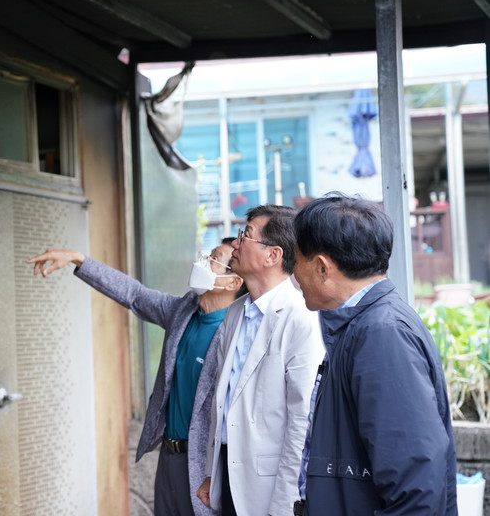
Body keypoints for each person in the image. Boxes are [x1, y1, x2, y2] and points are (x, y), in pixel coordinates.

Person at [28, 243, 245, 516]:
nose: (202, 263)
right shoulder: (183, 312)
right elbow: (134, 294)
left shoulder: (236, 333)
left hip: (203, 466)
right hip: (168, 457)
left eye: (213, 259)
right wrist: (78, 259)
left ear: (232, 282)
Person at [291, 194, 457, 515]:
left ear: (323, 267)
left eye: (296, 261)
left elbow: (416, 489)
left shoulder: (382, 333)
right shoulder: (362, 323)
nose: (294, 275)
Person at [198, 204, 324, 516]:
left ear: (273, 255)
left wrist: (286, 501)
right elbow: (224, 399)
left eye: (246, 235)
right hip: (228, 471)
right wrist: (212, 472)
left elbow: (302, 419)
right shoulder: (234, 313)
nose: (235, 243)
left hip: (271, 485)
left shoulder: (301, 317)